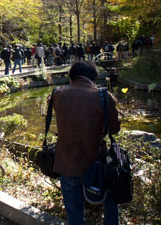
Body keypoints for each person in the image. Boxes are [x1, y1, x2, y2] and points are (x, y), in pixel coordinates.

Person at [52, 61, 120, 224]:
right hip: (96, 164)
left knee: (74, 215)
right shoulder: (104, 96)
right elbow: (114, 129)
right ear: (94, 78)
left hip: (66, 162)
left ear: (71, 78)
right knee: (111, 203)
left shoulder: (57, 94)